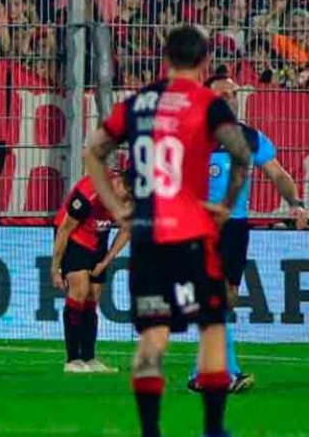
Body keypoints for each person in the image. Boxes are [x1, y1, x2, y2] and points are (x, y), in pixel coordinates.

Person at [83, 25, 253, 437]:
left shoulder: (138, 103)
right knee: (212, 327)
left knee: (153, 337)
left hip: (147, 237)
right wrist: (227, 204)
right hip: (192, 235)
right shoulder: (208, 104)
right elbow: (241, 153)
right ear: (205, 61)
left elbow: (94, 151)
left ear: (165, 59)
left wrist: (119, 208)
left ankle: (150, 431)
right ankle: (213, 428)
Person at [186, 70, 308, 393]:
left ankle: (200, 373)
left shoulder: (249, 137)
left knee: (224, 299)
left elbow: (278, 174)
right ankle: (227, 373)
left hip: (236, 228)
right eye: (222, 96)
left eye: (233, 95)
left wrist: (296, 203)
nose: (229, 100)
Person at [52, 172, 130, 373]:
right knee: (79, 290)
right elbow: (64, 230)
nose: (126, 199)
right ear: (117, 183)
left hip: (98, 238)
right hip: (74, 237)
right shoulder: (90, 192)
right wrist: (55, 269)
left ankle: (89, 357)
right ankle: (72, 360)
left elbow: (127, 229)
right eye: (125, 193)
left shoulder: (132, 198)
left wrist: (105, 262)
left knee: (93, 295)